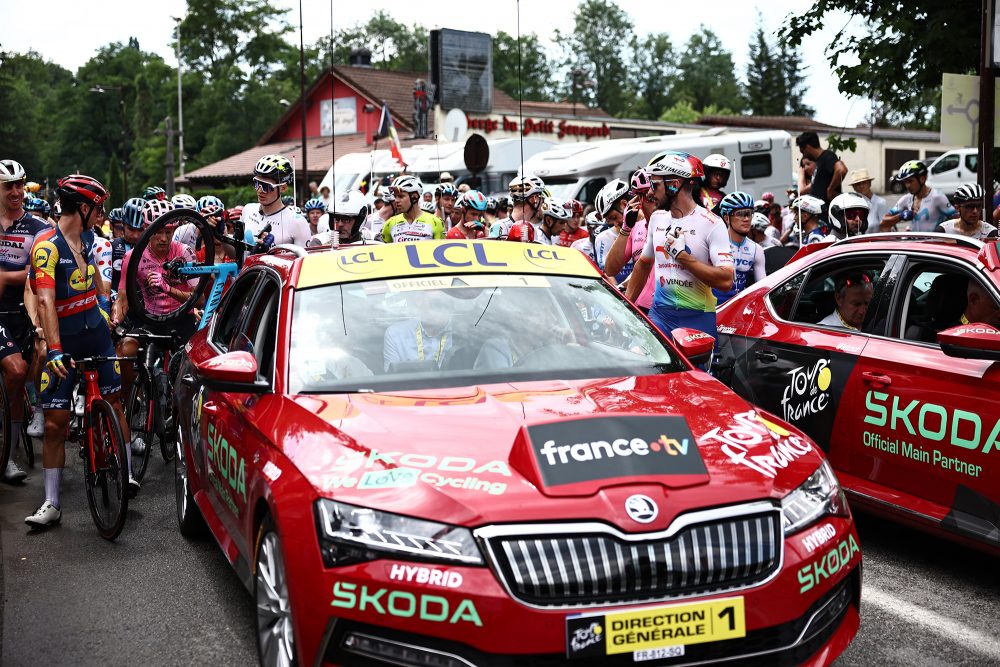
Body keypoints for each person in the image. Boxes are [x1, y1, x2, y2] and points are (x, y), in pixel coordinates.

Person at [27, 174, 137, 527]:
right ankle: (52, 502)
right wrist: (55, 349)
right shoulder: (47, 247)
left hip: (97, 337)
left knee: (116, 401)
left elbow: (97, 277)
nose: (103, 214)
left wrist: (104, 304)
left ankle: (127, 472)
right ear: (84, 208)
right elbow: (44, 299)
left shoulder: (90, 238)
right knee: (57, 422)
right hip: (65, 344)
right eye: (99, 207)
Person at [626, 152, 734, 341]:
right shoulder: (657, 219)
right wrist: (626, 308)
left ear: (674, 185)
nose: (650, 192)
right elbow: (643, 265)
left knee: (695, 372)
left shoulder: (712, 224)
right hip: (660, 314)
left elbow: (726, 281)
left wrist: (683, 257)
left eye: (655, 185)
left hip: (697, 316)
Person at [0, 159, 49, 482]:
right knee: (16, 370)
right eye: (9, 186)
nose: (17, 191)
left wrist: (4, 277)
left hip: (25, 313)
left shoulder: (38, 227)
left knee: (20, 381)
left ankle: (9, 455)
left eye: (20, 184)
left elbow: (40, 272)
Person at [605, 168, 658, 314]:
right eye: (649, 198)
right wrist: (626, 228)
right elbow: (610, 269)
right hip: (641, 309)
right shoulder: (636, 227)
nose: (656, 202)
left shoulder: (675, 223)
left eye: (657, 196)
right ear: (638, 199)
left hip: (666, 310)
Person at [241, 154, 311, 248]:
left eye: (266, 186)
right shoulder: (248, 209)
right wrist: (221, 233)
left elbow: (303, 261)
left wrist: (273, 251)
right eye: (257, 183)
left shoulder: (297, 222)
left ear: (283, 188)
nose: (259, 190)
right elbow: (236, 256)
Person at [713, 191, 766, 305]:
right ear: (727, 218)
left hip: (738, 309)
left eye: (749, 213)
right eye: (740, 214)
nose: (746, 218)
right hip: (714, 309)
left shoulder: (756, 249)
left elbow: (762, 287)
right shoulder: (714, 243)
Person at [382, 290, 453, 371]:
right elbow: (392, 379)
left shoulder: (462, 333)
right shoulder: (396, 334)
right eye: (436, 303)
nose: (441, 309)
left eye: (447, 304)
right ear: (419, 300)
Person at [881, 160, 954, 232]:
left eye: (910, 181)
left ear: (922, 179)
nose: (907, 185)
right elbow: (884, 221)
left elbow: (958, 220)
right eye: (905, 182)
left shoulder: (937, 197)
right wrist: (900, 216)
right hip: (915, 243)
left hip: (933, 243)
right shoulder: (907, 199)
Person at [382, 175, 445, 243]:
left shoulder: (435, 222)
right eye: (395, 196)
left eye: (401, 196)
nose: (396, 200)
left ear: (414, 196)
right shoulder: (389, 223)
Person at [591, 179, 631, 281]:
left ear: (624, 204)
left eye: (614, 217)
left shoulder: (645, 227)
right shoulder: (604, 237)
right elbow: (607, 273)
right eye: (609, 220)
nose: (615, 224)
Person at [795, 132, 846, 208]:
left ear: (808, 147)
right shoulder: (819, 161)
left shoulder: (827, 156)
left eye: (803, 151)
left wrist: (830, 189)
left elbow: (841, 169)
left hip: (827, 212)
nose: (803, 155)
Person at [491, 175, 546, 241]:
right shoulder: (500, 226)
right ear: (535, 199)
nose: (543, 202)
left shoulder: (533, 230)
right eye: (541, 198)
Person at [843, 168, 888, 235]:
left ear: (869, 184)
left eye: (864, 183)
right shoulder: (853, 205)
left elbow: (886, 229)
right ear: (854, 188)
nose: (861, 186)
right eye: (858, 184)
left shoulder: (880, 203)